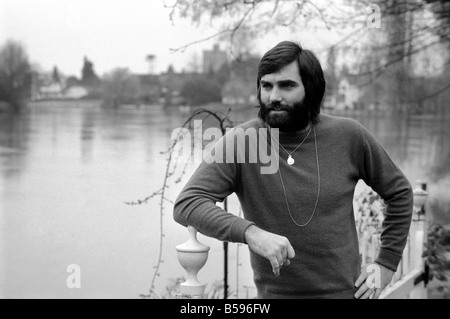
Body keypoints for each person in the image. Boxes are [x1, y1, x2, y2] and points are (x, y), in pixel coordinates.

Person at [173, 41, 413, 299]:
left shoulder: (349, 135)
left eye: (286, 85)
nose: (274, 96)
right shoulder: (244, 141)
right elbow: (188, 203)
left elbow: (399, 192)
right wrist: (251, 233)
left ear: (310, 90)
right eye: (266, 86)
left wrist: (386, 264)